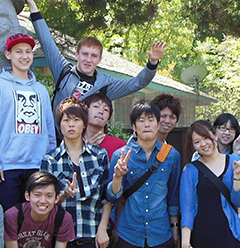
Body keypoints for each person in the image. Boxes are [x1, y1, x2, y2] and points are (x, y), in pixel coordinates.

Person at [25, 0, 166, 111]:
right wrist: (32, 4)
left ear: (99, 60)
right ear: (77, 55)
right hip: (59, 138)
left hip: (89, 141)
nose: (88, 59)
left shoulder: (106, 85)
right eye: (85, 54)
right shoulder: (64, 71)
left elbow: (138, 82)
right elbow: (46, 41)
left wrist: (152, 62)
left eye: (93, 56)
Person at [0, 32, 56, 209]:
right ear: (8, 55)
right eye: (18, 51)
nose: (24, 56)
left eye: (28, 51)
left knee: (35, 220)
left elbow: (49, 126)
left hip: (38, 165)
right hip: (8, 167)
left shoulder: (41, 90)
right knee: (11, 218)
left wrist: (51, 158)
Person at [106, 101, 182, 248]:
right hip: (129, 234)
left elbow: (173, 197)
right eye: (141, 120)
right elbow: (112, 197)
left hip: (161, 233)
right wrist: (117, 176)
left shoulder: (172, 156)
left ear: (158, 124)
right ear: (134, 127)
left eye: (151, 120)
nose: (146, 125)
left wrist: (175, 229)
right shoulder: (120, 156)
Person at [41, 98, 112, 248]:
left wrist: (102, 229)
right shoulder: (50, 160)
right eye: (66, 120)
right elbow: (43, 203)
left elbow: (107, 196)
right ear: (59, 125)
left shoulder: (99, 155)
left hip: (94, 237)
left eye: (76, 119)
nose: (71, 124)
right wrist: (64, 195)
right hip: (62, 240)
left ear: (84, 124)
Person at [180, 121, 240, 248]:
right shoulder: (190, 170)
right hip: (201, 235)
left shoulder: (235, 162)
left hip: (228, 233)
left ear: (215, 135)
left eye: (206, 138)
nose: (203, 144)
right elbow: (187, 208)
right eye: (197, 142)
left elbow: (239, 201)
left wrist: (237, 176)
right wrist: (185, 241)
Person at [4, 172, 76, 248]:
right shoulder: (13, 215)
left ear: (56, 198)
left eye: (49, 196)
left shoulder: (63, 218)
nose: (43, 201)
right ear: (27, 196)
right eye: (37, 195)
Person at [83, 92, 127, 160]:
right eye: (96, 106)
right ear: (85, 112)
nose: (101, 111)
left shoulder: (120, 146)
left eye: (106, 109)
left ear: (108, 120)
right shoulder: (75, 142)